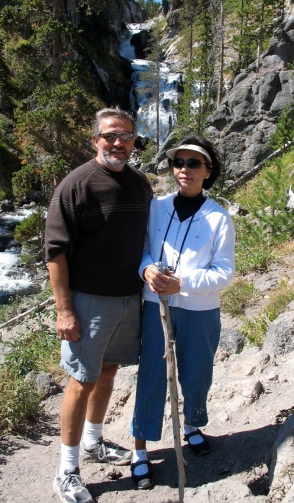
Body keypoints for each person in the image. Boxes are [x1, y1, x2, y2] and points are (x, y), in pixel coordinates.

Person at [45, 107, 153, 503]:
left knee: (108, 370)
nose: (118, 143)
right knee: (81, 380)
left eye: (126, 136)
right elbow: (55, 252)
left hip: (129, 297)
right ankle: (66, 471)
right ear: (95, 140)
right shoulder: (77, 185)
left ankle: (93, 441)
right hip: (88, 302)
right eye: (110, 135)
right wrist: (64, 309)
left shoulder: (141, 185)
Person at [130, 135, 235, 489]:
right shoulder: (157, 207)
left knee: (197, 372)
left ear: (208, 172)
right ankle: (140, 449)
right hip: (154, 305)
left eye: (194, 163)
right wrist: (147, 270)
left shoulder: (219, 218)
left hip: (200, 309)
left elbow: (224, 272)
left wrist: (183, 283)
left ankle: (191, 424)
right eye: (179, 163)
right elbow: (144, 250)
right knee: (151, 374)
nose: (184, 170)